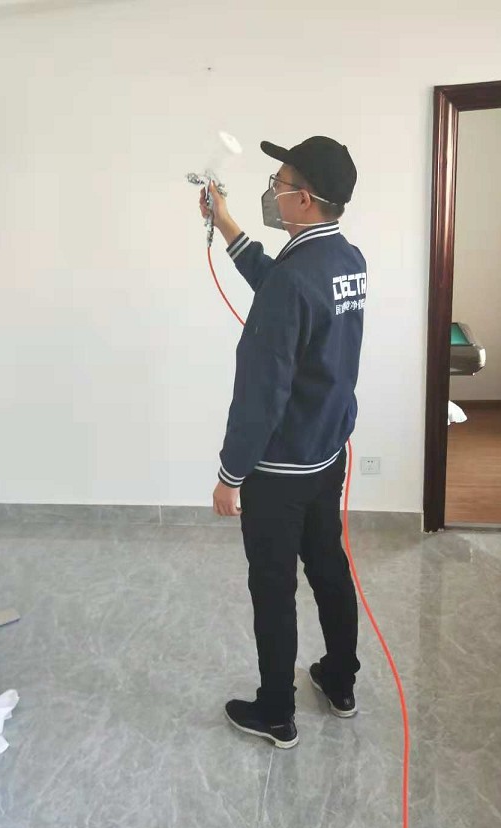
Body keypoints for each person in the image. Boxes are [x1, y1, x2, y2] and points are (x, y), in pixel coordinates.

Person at [199, 136, 366, 749]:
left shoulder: (296, 278)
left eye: (280, 181)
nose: (272, 190)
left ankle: (276, 712)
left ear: (304, 198)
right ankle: (340, 682)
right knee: (328, 565)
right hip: (327, 453)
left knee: (272, 587)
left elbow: (260, 394)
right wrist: (226, 223)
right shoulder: (346, 258)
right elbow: (281, 287)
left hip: (279, 469)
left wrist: (231, 474)